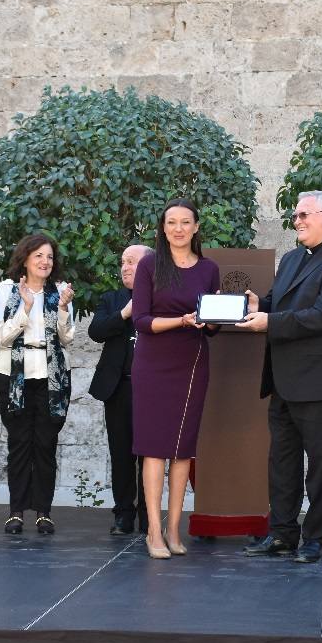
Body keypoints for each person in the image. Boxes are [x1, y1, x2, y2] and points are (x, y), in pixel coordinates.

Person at [237, 190, 322, 564]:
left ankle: (316, 538)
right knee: (282, 463)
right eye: (295, 216)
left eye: (304, 214)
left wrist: (269, 321)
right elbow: (280, 301)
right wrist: (262, 305)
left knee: (321, 467)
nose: (298, 221)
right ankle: (282, 533)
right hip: (284, 379)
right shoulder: (292, 258)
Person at [131, 200, 220, 559]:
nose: (178, 228)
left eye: (185, 222)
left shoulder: (210, 268)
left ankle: (173, 530)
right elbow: (141, 320)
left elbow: (213, 327)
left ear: (196, 227)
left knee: (183, 451)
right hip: (153, 365)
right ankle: (153, 530)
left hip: (193, 363)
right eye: (172, 222)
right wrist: (182, 320)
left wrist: (215, 319)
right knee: (154, 449)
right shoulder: (150, 265)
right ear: (163, 227)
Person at [0, 233, 75, 536]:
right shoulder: (7, 289)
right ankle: (15, 512)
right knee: (19, 444)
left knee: (45, 446)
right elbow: (0, 336)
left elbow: (67, 338)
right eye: (38, 255)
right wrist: (24, 308)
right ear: (25, 258)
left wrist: (63, 309)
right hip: (13, 376)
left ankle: (43, 512)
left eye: (49, 256)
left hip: (51, 378)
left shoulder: (61, 291)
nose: (45, 261)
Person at [89, 244, 153, 537]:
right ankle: (123, 514)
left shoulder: (161, 298)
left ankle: (148, 516)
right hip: (118, 387)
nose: (125, 267)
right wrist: (125, 313)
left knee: (150, 455)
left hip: (152, 390)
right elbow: (96, 331)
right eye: (123, 262)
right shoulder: (112, 299)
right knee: (121, 454)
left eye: (132, 262)